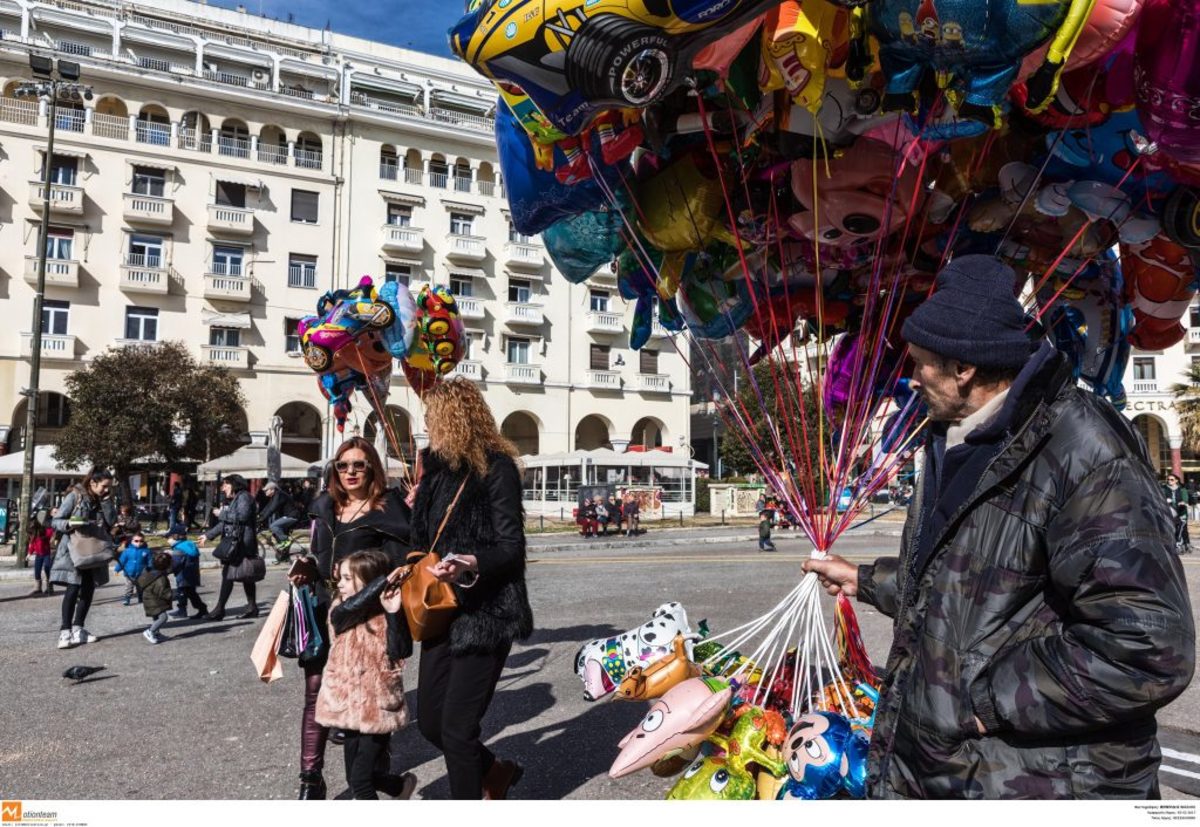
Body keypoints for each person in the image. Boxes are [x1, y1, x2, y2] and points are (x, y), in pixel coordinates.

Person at [804, 256, 1195, 799]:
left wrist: (985, 701)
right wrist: (867, 580)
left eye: (920, 364)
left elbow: (1147, 646)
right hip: (953, 774)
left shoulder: (1084, 452)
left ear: (963, 369)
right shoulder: (957, 438)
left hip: (1033, 786)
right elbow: (976, 581)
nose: (911, 378)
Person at [408, 378, 533, 800]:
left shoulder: (495, 468)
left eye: (432, 418)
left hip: (486, 612)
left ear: (453, 418)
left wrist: (471, 562)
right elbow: (419, 543)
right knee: (428, 722)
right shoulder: (435, 473)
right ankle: (494, 772)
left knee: (457, 731)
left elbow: (511, 548)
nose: (427, 426)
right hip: (440, 608)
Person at [288, 436, 412, 801]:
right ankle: (311, 779)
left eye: (359, 464)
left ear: (372, 467)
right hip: (323, 609)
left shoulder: (388, 511)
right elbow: (318, 553)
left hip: (364, 619)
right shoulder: (326, 505)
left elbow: (398, 569)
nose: (350, 472)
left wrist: (358, 601)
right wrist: (307, 567)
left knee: (368, 696)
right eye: (343, 465)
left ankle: (373, 778)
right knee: (317, 693)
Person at [315, 550, 415, 800]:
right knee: (356, 777)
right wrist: (383, 582)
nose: (340, 583)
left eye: (348, 578)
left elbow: (401, 650)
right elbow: (346, 612)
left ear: (365, 580)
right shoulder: (340, 609)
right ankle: (398, 787)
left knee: (360, 782)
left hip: (378, 706)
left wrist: (393, 613)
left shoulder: (388, 610)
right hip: (347, 704)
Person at [50, 468, 117, 650]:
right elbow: (56, 521)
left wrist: (106, 501)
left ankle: (79, 628)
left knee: (88, 589)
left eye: (108, 487)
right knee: (73, 589)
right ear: (93, 483)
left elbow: (111, 521)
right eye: (104, 487)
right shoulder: (75, 496)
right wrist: (69, 523)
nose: (106, 490)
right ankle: (65, 631)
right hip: (74, 550)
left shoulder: (103, 499)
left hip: (94, 549)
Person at [198, 474, 260, 621]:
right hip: (239, 542)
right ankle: (252, 607)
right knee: (246, 576)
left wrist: (222, 513)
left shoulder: (244, 497)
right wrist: (208, 535)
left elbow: (243, 516)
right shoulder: (236, 499)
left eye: (226, 484)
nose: (223, 488)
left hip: (241, 543)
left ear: (234, 484)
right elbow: (226, 524)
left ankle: (220, 610)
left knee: (228, 574)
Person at [166, 524, 207, 619]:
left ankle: (183, 610)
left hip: (183, 576)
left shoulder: (179, 549)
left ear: (176, 537)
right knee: (191, 593)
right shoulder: (189, 545)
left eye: (170, 537)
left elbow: (175, 564)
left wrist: (165, 571)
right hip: (192, 575)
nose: (169, 539)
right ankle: (202, 609)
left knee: (182, 593)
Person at [137, 551, 175, 644]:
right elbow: (163, 592)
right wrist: (175, 594)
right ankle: (151, 631)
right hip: (156, 601)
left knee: (156, 617)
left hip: (149, 599)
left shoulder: (150, 572)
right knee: (163, 617)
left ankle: (156, 633)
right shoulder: (161, 578)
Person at [114, 532, 149, 606]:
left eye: (141, 541)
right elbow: (122, 561)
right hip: (129, 573)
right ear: (132, 541)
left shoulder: (146, 551)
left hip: (141, 573)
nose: (138, 543)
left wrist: (150, 568)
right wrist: (117, 569)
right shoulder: (127, 551)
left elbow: (150, 561)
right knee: (129, 587)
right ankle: (127, 599)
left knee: (141, 587)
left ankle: (141, 598)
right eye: (136, 541)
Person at [27, 511, 57, 597]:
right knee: (37, 570)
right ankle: (38, 587)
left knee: (47, 569)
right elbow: (32, 544)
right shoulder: (34, 533)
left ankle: (49, 587)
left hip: (47, 553)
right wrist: (29, 553)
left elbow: (52, 533)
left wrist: (53, 535)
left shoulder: (47, 530)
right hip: (38, 555)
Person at [259, 481, 299, 545]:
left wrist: (262, 518)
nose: (265, 492)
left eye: (266, 490)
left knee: (273, 526)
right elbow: (267, 507)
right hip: (286, 516)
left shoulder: (279, 495)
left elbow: (272, 508)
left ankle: (286, 541)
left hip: (291, 516)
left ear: (272, 489)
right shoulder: (274, 496)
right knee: (274, 532)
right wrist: (259, 515)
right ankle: (284, 552)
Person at [1164, 473, 1191, 554]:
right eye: (1168, 479)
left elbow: (1185, 499)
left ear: (1176, 480)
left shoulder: (1182, 490)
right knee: (1173, 529)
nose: (1169, 481)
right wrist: (1165, 500)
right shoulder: (1164, 489)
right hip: (1170, 513)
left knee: (1182, 529)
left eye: (1172, 479)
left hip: (1181, 512)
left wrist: (1183, 502)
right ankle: (1178, 544)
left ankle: (1184, 544)